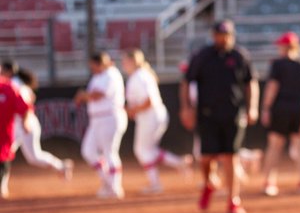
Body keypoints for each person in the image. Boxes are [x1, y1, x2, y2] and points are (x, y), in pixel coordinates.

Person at [180, 20, 259, 213]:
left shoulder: (240, 56)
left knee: (231, 156)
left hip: (233, 115)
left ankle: (233, 201)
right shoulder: (202, 56)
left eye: (226, 35)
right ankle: (209, 183)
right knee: (206, 157)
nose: (222, 39)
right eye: (219, 35)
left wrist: (252, 107)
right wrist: (186, 108)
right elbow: (186, 82)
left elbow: (251, 82)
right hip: (207, 114)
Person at [121, 49, 189, 194]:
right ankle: (179, 163)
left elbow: (148, 102)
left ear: (133, 61)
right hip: (152, 116)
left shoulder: (139, 76)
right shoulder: (140, 75)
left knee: (142, 150)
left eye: (125, 61)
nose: (123, 64)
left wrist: (132, 110)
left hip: (150, 116)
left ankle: (156, 183)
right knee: (148, 150)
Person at [0, 61, 72, 185]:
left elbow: (26, 105)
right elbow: (31, 98)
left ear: (9, 71)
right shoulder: (15, 83)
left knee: (33, 157)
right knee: (5, 153)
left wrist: (25, 121)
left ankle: (61, 166)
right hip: (17, 124)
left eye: (3, 70)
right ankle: (3, 184)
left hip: (25, 124)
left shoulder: (14, 83)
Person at [260, 32, 300, 197]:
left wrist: (266, 108)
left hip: (281, 108)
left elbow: (272, 87)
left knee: (275, 145)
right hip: (299, 109)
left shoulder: (278, 64)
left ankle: (269, 182)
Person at [74, 51, 128, 199]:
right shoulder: (98, 76)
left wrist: (83, 95)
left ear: (100, 63)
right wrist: (84, 96)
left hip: (110, 117)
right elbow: (92, 95)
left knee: (110, 152)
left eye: (93, 65)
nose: (91, 68)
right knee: (88, 151)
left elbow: (98, 95)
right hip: (97, 119)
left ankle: (115, 187)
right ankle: (107, 182)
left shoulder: (111, 74)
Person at [0, 70, 33, 200]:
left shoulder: (10, 88)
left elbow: (25, 107)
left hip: (4, 135)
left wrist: (26, 122)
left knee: (4, 159)